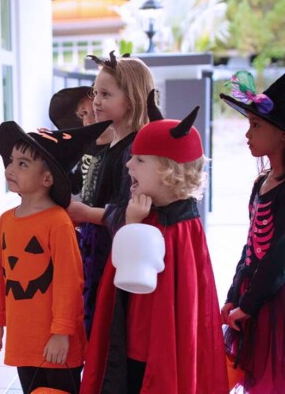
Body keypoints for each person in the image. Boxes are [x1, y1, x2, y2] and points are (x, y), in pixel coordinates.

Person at [80, 106, 229, 393]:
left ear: (168, 170)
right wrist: (133, 222)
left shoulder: (181, 226)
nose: (128, 165)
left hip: (151, 345)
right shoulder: (148, 211)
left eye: (140, 159)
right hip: (133, 337)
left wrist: (133, 226)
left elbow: (141, 280)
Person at [0, 120, 111, 394]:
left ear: (47, 178)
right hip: (23, 338)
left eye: (23, 164)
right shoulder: (5, 221)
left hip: (56, 342)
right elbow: (2, 275)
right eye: (11, 161)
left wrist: (61, 333)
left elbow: (70, 282)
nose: (10, 168)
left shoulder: (57, 222)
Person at [65, 51, 157, 337]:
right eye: (96, 92)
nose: (96, 102)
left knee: (109, 331)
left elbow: (133, 210)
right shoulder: (110, 143)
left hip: (115, 256)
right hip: (97, 249)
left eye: (105, 94)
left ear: (131, 99)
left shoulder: (136, 150)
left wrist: (85, 213)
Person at [219, 72, 285, 393]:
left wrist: (249, 302)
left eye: (256, 126)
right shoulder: (261, 183)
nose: (247, 134)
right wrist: (234, 295)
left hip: (276, 302)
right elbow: (249, 247)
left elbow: (278, 257)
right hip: (252, 296)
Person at [48, 85, 114, 196]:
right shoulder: (86, 149)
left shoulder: (120, 150)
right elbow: (76, 185)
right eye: (84, 113)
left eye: (95, 112)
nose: (88, 120)